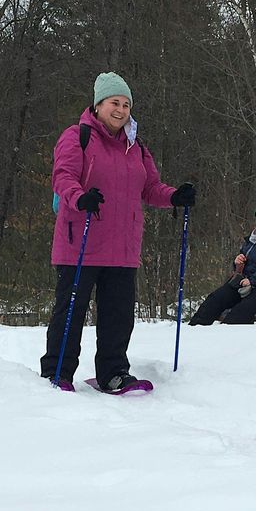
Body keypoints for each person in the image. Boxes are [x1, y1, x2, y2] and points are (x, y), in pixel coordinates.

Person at [40, 72, 195, 392]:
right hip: (80, 243)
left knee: (118, 316)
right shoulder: (77, 136)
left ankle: (113, 372)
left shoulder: (136, 146)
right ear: (98, 105)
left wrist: (174, 197)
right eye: (114, 102)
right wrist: (80, 198)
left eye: (126, 104)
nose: (121, 109)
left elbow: (150, 187)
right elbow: (63, 176)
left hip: (123, 248)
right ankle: (58, 371)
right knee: (71, 310)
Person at [190, 203, 256, 323]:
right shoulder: (251, 240)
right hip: (245, 283)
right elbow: (243, 265)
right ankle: (193, 333)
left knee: (240, 312)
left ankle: (229, 338)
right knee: (214, 301)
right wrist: (237, 262)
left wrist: (253, 280)